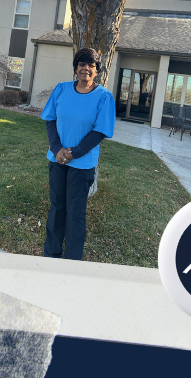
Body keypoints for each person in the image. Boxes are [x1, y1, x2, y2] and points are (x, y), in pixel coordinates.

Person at [39, 47, 116, 260]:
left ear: (97, 71)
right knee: (57, 209)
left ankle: (72, 262)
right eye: (82, 64)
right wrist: (56, 149)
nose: (86, 69)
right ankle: (51, 256)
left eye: (91, 65)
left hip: (82, 165)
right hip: (57, 160)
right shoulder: (61, 89)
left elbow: (100, 130)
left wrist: (75, 152)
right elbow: (50, 119)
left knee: (75, 215)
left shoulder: (104, 97)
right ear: (75, 68)